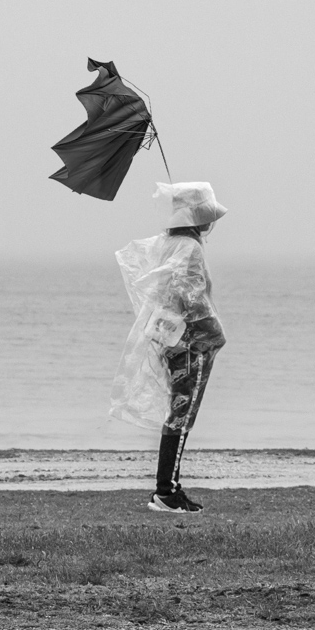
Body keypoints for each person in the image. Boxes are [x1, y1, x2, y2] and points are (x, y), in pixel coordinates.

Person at [110, 182, 228, 513]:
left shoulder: (170, 244)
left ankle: (169, 488)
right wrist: (214, 334)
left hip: (170, 339)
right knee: (183, 413)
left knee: (178, 411)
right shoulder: (188, 248)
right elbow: (191, 299)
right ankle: (166, 491)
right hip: (190, 343)